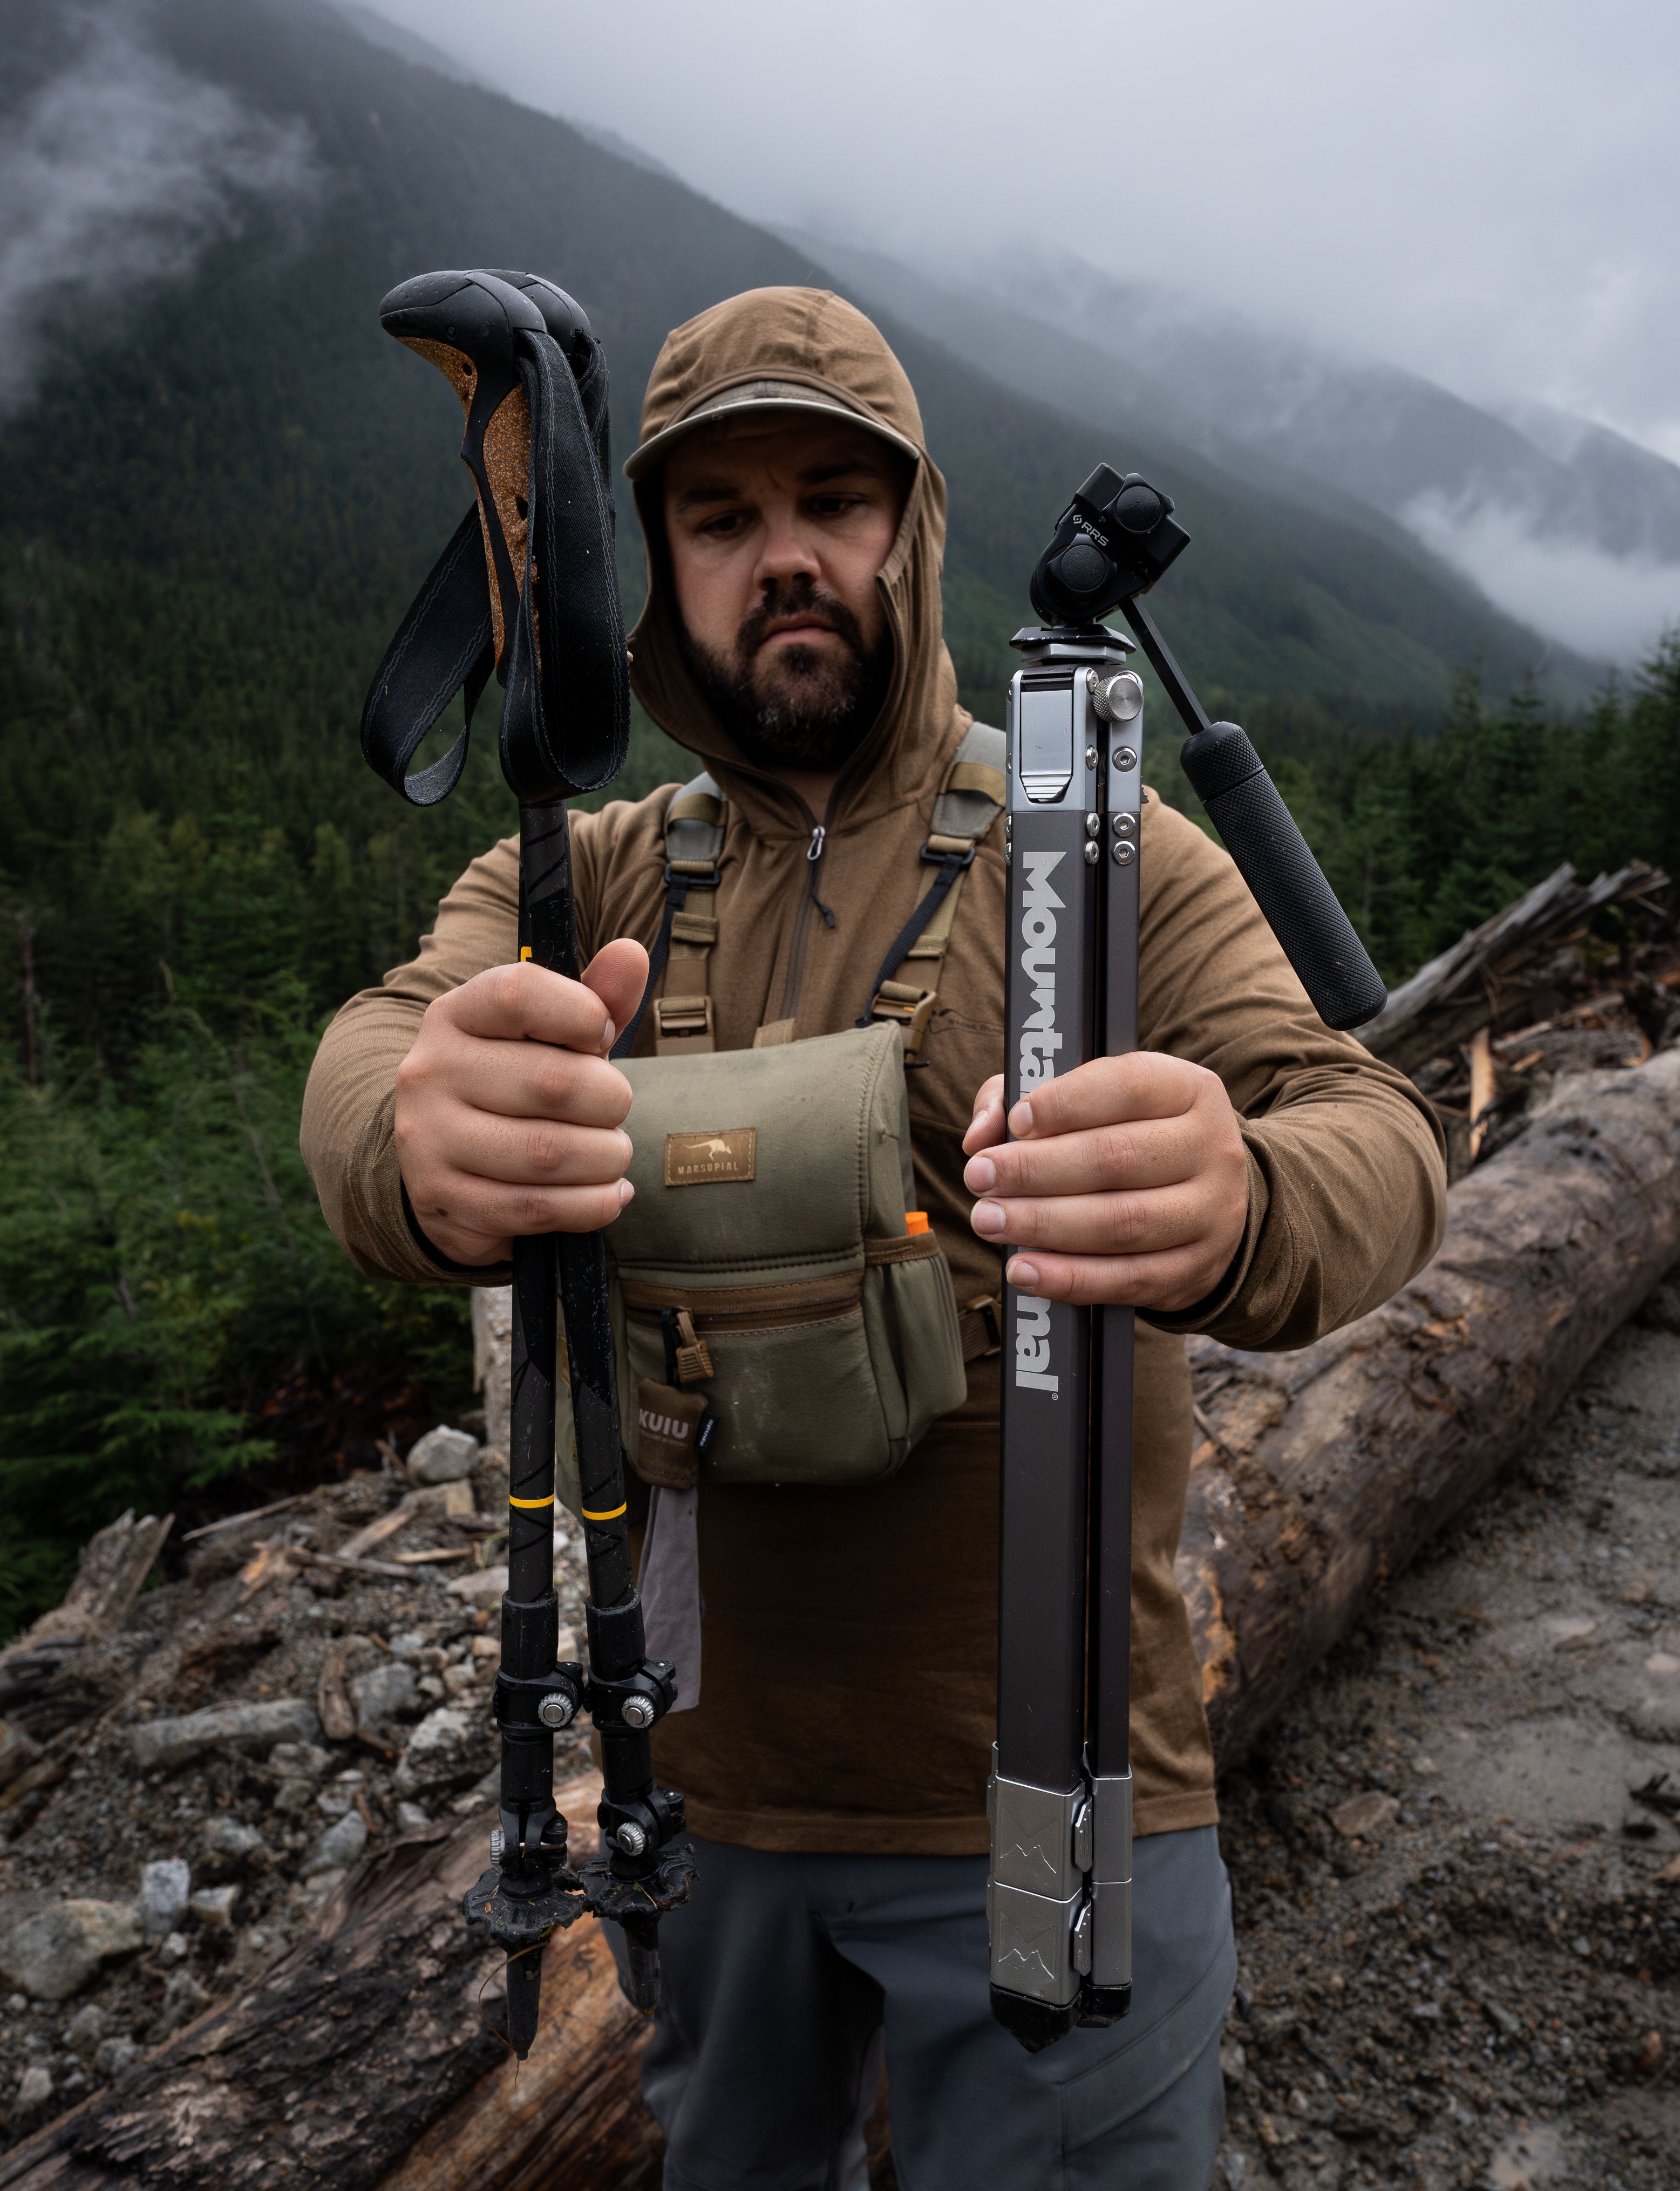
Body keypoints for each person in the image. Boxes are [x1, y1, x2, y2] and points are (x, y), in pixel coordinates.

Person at [302, 286, 1445, 2187]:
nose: (786, 557)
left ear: (911, 529)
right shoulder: (580, 875)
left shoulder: (1106, 851)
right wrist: (415, 1142)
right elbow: (375, 1052)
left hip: (1060, 1783)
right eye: (722, 516)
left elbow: (1381, 1134)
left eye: (834, 499)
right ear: (657, 568)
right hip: (699, 1800)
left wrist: (1242, 1197)